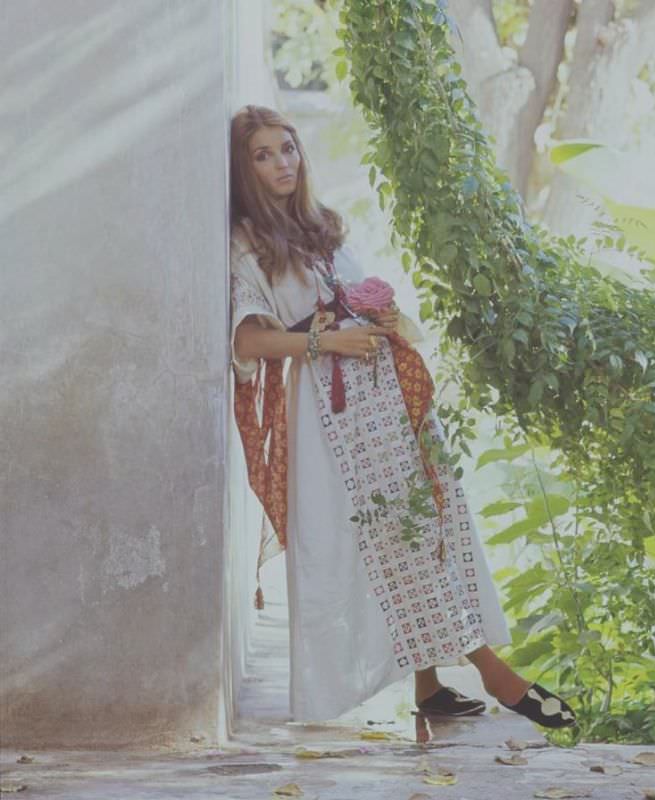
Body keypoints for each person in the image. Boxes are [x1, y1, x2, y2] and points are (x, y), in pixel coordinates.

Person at [229, 104, 576, 728]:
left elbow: (360, 300)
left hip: (384, 392)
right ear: (244, 167)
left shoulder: (323, 225)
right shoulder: (248, 243)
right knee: (389, 532)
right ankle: (497, 675)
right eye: (263, 153)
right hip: (332, 413)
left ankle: (429, 686)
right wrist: (324, 343)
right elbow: (248, 342)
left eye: (288, 148)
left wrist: (383, 321)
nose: (282, 162)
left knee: (427, 519)